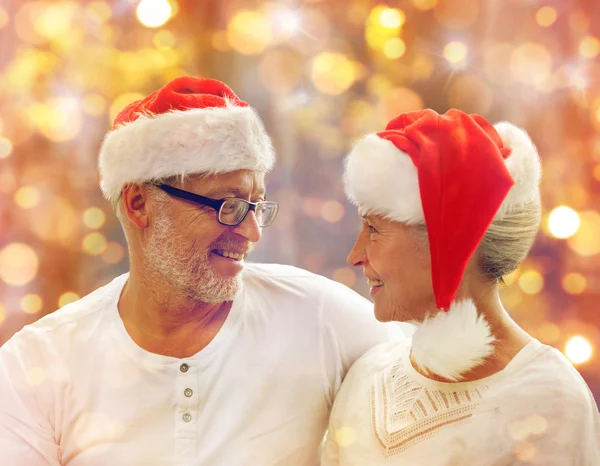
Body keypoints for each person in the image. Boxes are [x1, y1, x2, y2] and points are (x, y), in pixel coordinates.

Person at [0, 77, 402, 465]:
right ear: (140, 203)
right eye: (228, 206)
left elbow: (435, 398)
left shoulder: (321, 318)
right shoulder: (37, 363)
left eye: (256, 206)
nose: (251, 232)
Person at [322, 109, 600, 465]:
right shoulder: (366, 376)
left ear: (450, 243)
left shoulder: (550, 399)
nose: (355, 255)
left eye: (374, 229)